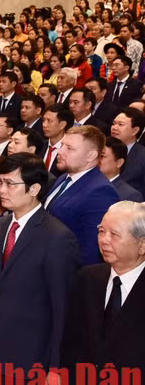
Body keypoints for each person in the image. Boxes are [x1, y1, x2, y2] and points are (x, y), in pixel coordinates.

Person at [0, 153, 81, 385]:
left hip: (34, 363)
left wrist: (56, 368)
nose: (2, 190)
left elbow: (64, 309)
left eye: (10, 184)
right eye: (1, 182)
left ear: (34, 188)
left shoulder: (57, 237)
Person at [61, 201, 145, 385]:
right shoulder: (88, 279)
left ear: (142, 245)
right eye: (101, 231)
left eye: (114, 235)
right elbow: (73, 347)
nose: (104, 240)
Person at [47, 126, 120, 265]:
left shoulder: (101, 191)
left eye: (70, 148)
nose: (60, 151)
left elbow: (92, 250)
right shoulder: (63, 178)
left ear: (91, 156)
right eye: (62, 145)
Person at [111, 108, 145, 196]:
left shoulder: (142, 156)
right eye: (114, 123)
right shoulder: (102, 149)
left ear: (135, 130)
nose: (114, 127)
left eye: (120, 124)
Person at [100, 137, 144, 202]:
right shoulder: (86, 183)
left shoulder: (129, 196)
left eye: (102, 156)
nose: (96, 160)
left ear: (119, 163)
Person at [41, 104, 73, 177]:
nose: (44, 125)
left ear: (62, 125)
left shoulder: (69, 150)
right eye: (43, 120)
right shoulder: (40, 145)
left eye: (49, 121)